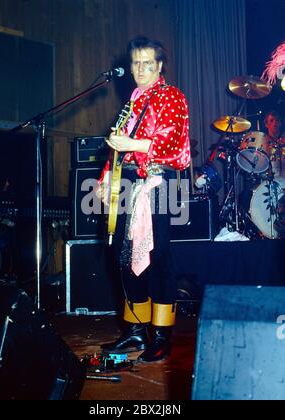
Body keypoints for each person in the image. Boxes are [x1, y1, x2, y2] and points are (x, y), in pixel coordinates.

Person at [97, 36, 191, 362]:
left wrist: (129, 146)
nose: (140, 69)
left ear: (159, 66)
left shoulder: (172, 96)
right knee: (125, 256)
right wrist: (106, 177)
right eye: (136, 62)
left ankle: (162, 334)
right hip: (130, 183)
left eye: (147, 63)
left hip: (161, 182)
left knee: (160, 257)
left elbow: (171, 142)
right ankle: (136, 329)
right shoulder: (133, 101)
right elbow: (117, 149)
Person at [263, 111, 285, 177]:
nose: (275, 122)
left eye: (277, 120)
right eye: (271, 120)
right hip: (269, 179)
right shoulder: (263, 142)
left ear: (280, 123)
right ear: (266, 124)